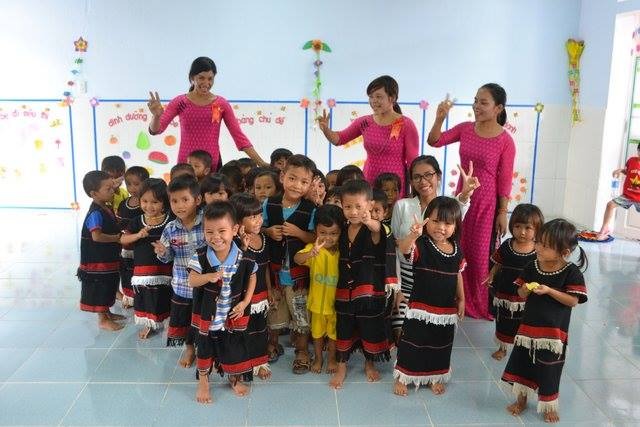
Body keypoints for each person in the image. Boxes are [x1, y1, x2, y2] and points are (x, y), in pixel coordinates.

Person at [428, 83, 515, 319]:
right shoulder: (466, 129)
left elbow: (505, 179)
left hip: (487, 203)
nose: (477, 106)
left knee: (479, 253)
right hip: (461, 197)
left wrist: (502, 212)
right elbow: (434, 141)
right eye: (475, 100)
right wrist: (439, 118)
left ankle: (478, 302)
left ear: (498, 108)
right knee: (457, 245)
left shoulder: (505, 140)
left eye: (483, 102)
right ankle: (454, 296)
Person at [502, 219, 588, 424]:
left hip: (553, 336)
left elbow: (573, 301)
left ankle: (549, 405)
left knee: (550, 369)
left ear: (564, 252)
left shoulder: (571, 272)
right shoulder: (532, 266)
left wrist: (549, 291)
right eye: (538, 242)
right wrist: (525, 289)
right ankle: (521, 400)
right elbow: (521, 294)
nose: (538, 247)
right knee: (522, 364)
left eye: (545, 246)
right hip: (527, 330)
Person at [391, 156, 477, 337]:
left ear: (438, 176)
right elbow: (395, 247)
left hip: (436, 281)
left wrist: (465, 194)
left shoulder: (447, 206)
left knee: (435, 333)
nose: (423, 181)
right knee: (403, 334)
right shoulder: (402, 205)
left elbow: (459, 208)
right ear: (411, 181)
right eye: (417, 177)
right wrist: (397, 287)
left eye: (428, 175)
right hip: (406, 279)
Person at [393, 196, 466, 396]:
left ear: (455, 226)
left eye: (447, 223)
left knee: (440, 344)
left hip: (445, 309)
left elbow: (457, 274)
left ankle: (434, 376)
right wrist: (412, 235)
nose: (441, 227)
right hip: (420, 308)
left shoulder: (457, 250)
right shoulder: (421, 244)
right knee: (413, 342)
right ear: (426, 220)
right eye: (435, 221)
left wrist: (462, 299)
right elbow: (404, 249)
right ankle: (403, 377)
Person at [330, 179, 397, 389]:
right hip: (345, 288)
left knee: (370, 326)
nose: (353, 212)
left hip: (369, 290)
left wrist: (369, 221)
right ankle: (342, 366)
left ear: (369, 205)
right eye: (348, 206)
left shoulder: (374, 228)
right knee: (344, 326)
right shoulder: (342, 228)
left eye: (358, 206)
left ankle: (369, 363)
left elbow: (379, 230)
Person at [189, 202, 257, 403]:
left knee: (233, 348)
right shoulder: (201, 255)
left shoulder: (243, 257)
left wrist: (245, 302)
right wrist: (208, 277)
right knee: (205, 348)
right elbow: (192, 280)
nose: (216, 237)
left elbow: (253, 277)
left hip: (232, 315)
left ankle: (234, 378)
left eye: (222, 231)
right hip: (208, 315)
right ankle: (203, 380)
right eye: (209, 232)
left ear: (234, 230)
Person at [147, 56, 268, 169]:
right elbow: (156, 130)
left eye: (210, 79)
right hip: (186, 166)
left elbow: (239, 137)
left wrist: (261, 163)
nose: (206, 83)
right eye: (201, 78)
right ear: (192, 78)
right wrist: (156, 116)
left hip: (211, 167)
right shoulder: (180, 102)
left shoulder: (220, 104)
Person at [318, 75, 419, 196]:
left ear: (392, 98)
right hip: (369, 180)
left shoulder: (405, 124)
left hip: (395, 185)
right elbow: (339, 139)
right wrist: (326, 130)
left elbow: (413, 163)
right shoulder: (365, 122)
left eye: (378, 97)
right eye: (371, 97)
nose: (373, 101)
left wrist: (414, 192)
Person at [263, 154, 317, 374]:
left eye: (304, 182)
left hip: (299, 276)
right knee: (274, 311)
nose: (297, 185)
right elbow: (257, 229)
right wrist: (268, 231)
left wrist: (299, 233)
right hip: (274, 273)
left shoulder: (310, 208)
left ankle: (302, 351)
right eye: (292, 178)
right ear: (282, 176)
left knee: (301, 315)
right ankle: (272, 344)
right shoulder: (269, 203)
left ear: (310, 184)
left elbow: (316, 238)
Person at [152, 175, 205, 368]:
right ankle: (189, 349)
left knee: (204, 321)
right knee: (184, 321)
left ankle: (205, 351)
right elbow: (168, 257)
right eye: (174, 201)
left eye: (185, 200)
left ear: (197, 200)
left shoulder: (207, 223)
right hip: (182, 286)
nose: (179, 205)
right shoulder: (170, 229)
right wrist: (162, 252)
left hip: (205, 285)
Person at [485, 204, 543, 360]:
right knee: (504, 321)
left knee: (525, 323)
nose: (522, 232)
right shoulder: (507, 245)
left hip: (527, 297)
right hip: (505, 293)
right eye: (518, 226)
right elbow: (498, 263)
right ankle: (503, 348)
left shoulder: (538, 250)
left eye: (528, 228)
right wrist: (491, 275)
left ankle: (523, 350)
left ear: (537, 229)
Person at [120, 178, 173, 339]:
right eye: (145, 201)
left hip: (165, 270)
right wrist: (137, 235)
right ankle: (150, 324)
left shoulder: (171, 221)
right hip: (143, 271)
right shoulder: (137, 221)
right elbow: (123, 239)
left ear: (164, 202)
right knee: (147, 298)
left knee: (165, 296)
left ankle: (170, 323)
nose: (149, 206)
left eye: (155, 202)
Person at [294, 204, 344, 374]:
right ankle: (318, 358)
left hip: (335, 305)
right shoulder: (313, 250)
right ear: (315, 231)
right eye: (323, 233)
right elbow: (297, 259)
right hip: (316, 305)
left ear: (341, 233)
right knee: (316, 334)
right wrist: (310, 253)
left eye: (333, 233)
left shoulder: (342, 252)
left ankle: (331, 359)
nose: (328, 238)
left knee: (333, 335)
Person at [231, 193, 272, 380]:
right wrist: (243, 247)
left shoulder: (263, 237)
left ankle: (260, 362)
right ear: (238, 221)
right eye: (253, 217)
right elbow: (237, 271)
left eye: (260, 215)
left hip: (261, 294)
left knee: (260, 329)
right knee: (242, 331)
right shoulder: (234, 243)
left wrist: (270, 290)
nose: (259, 221)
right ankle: (241, 364)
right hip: (242, 298)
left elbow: (265, 268)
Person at [77, 171, 125, 331]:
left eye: (113, 187)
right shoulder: (95, 213)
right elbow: (96, 236)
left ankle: (107, 313)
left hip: (106, 258)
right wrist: (116, 238)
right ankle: (102, 319)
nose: (113, 191)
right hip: (97, 261)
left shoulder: (105, 206)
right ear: (94, 193)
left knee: (109, 284)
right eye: (108, 189)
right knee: (100, 287)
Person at [116, 166, 149, 309]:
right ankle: (129, 298)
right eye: (129, 184)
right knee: (126, 273)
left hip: (141, 247)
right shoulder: (123, 204)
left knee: (140, 273)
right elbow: (119, 224)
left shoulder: (146, 205)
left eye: (136, 184)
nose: (132, 188)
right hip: (125, 247)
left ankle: (142, 299)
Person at [595, 143, 640, 240]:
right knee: (610, 205)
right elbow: (628, 171)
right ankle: (604, 229)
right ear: (638, 150)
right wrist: (619, 171)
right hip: (628, 195)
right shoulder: (631, 160)